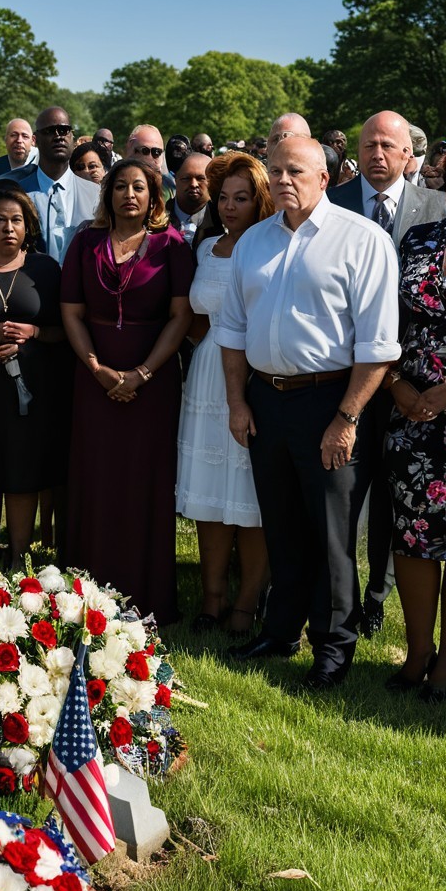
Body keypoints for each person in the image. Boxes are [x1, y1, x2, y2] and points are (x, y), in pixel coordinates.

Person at [218, 138, 399, 689]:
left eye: (295, 169)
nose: (283, 179)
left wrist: (346, 419)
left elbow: (378, 345)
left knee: (330, 533)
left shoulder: (361, 239)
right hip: (266, 398)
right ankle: (281, 630)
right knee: (282, 523)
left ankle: (334, 645)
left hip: (331, 400)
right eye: (275, 170)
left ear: (326, 176)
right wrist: (237, 400)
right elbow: (231, 329)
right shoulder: (254, 241)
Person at [328, 111, 446, 636]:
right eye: (368, 145)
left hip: (413, 381)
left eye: (387, 146)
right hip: (347, 374)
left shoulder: (438, 208)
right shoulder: (332, 203)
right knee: (345, 492)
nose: (377, 154)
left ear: (407, 155)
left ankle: (379, 592)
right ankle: (338, 596)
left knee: (393, 498)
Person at [61, 157, 194, 623]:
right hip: (92, 381)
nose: (129, 195)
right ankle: (84, 592)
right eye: (121, 187)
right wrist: (97, 368)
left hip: (152, 385)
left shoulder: (172, 245)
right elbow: (72, 313)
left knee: (144, 481)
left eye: (139, 187)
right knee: (95, 478)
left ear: (154, 197)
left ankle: (145, 594)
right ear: (108, 194)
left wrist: (143, 372)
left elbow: (180, 316)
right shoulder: (85, 242)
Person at [384, 139, 446, 700]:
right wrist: (395, 384)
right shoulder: (418, 238)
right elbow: (384, 313)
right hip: (409, 410)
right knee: (413, 537)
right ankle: (418, 651)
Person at [177, 152, 273, 632]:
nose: (230, 206)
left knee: (252, 496)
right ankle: (211, 598)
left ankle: (246, 601)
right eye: (223, 198)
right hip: (207, 374)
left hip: (254, 375)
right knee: (211, 494)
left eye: (241, 198)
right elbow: (196, 316)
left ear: (260, 202)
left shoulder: (272, 247)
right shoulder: (206, 246)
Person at [0, 183, 67, 565]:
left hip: (33, 389)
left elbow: (64, 331)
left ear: (28, 226)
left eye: (17, 220)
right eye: (0, 219)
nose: (9, 227)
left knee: (24, 474)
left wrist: (34, 333)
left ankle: (20, 557)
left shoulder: (45, 269)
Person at [4, 107, 100, 263]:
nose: (58, 137)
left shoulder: (96, 194)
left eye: (63, 130)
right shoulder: (16, 193)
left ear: (72, 136)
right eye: (50, 131)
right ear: (36, 140)